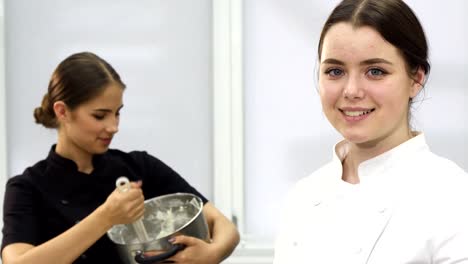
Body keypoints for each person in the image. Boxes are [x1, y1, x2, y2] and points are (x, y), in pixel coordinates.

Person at [273, 0, 468, 263]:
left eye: (375, 71)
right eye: (335, 71)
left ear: (416, 79)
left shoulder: (452, 196)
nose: (352, 90)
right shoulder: (303, 197)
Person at [1, 52, 240, 264]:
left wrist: (213, 254)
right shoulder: (27, 188)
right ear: (62, 111)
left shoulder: (141, 167)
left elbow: (224, 226)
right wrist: (106, 217)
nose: (113, 126)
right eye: (100, 116)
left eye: (117, 113)